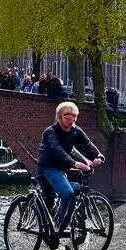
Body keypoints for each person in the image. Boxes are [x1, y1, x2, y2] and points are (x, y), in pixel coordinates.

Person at [37, 101, 104, 236]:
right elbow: (57, 150)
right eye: (67, 117)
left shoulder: (75, 130)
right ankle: (58, 229)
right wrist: (74, 163)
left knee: (77, 190)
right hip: (48, 168)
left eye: (73, 117)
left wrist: (99, 156)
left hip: (62, 169)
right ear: (60, 117)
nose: (71, 120)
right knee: (67, 193)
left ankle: (67, 222)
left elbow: (88, 145)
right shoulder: (50, 132)